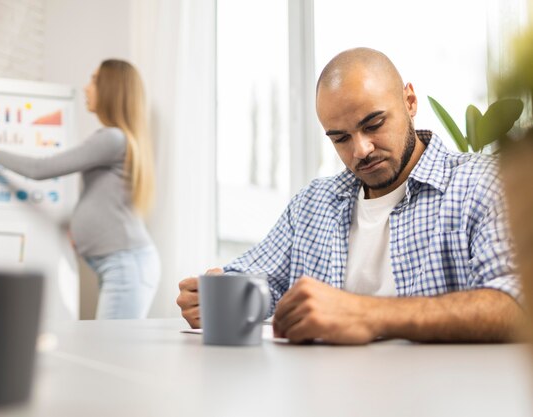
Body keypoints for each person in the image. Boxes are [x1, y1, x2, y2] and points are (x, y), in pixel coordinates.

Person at [177, 48, 524, 344]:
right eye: (340, 138)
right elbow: (259, 283)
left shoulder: (482, 184)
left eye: (373, 124)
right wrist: (211, 297)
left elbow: (517, 305)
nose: (361, 149)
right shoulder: (314, 204)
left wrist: (368, 313)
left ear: (410, 101)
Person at [0, 59, 160, 320]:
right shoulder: (117, 139)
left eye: (94, 80)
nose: (86, 87)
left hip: (125, 266)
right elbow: (104, 197)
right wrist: (78, 227)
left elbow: (40, 169)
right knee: (111, 347)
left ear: (113, 89)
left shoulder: (112, 139)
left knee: (112, 349)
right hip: (122, 265)